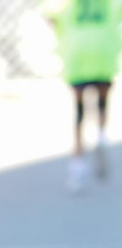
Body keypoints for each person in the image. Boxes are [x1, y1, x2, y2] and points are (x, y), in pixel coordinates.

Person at [43, 0, 121, 190]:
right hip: (103, 52)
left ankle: (78, 165)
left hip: (76, 54)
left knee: (79, 112)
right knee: (102, 102)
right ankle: (101, 136)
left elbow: (49, 15)